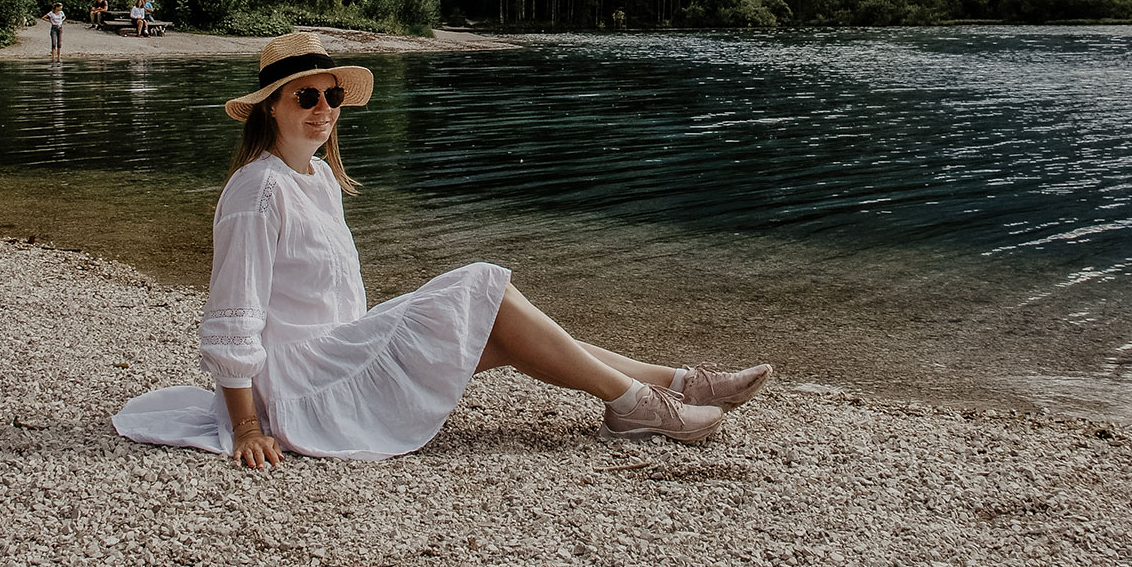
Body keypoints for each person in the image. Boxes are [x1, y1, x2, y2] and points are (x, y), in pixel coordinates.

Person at [113, 32, 773, 465]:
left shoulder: (314, 178)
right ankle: (642, 402)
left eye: (332, 96)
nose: (323, 107)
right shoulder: (258, 191)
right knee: (481, 285)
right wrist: (249, 425)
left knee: (490, 311)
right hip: (302, 386)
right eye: (305, 96)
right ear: (270, 109)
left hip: (342, 353)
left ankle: (667, 386)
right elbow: (231, 316)